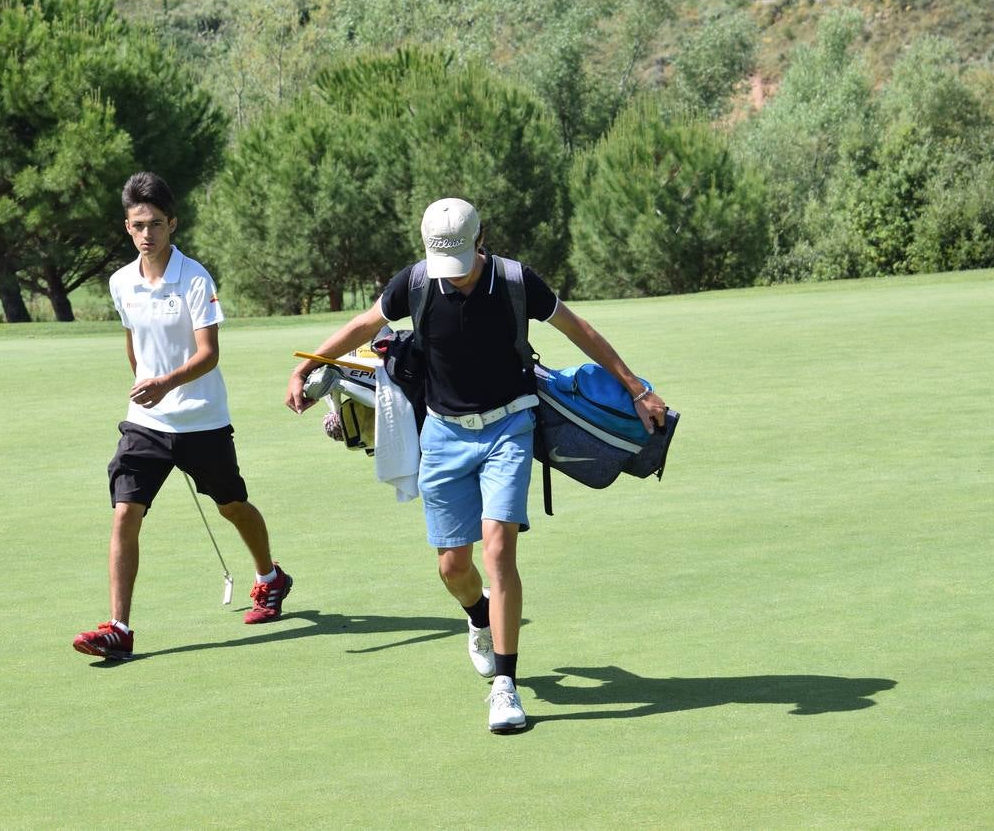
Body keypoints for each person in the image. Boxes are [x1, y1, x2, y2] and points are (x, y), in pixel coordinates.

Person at [285, 197, 667, 733]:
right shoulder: (415, 283)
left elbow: (580, 331)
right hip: (443, 435)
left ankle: (505, 687)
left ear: (479, 240)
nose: (456, 278)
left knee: (499, 548)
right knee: (452, 568)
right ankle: (478, 617)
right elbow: (362, 324)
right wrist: (309, 366)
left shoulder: (516, 280)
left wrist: (638, 388)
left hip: (510, 426)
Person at [74, 171, 291, 660]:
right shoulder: (120, 282)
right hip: (146, 424)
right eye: (136, 225)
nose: (146, 234)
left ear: (172, 223)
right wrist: (147, 389)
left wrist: (165, 384)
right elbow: (134, 343)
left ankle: (269, 577)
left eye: (154, 223)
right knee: (125, 514)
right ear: (126, 227)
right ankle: (119, 628)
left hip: (201, 420)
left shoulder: (195, 278)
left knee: (232, 506)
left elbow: (208, 353)